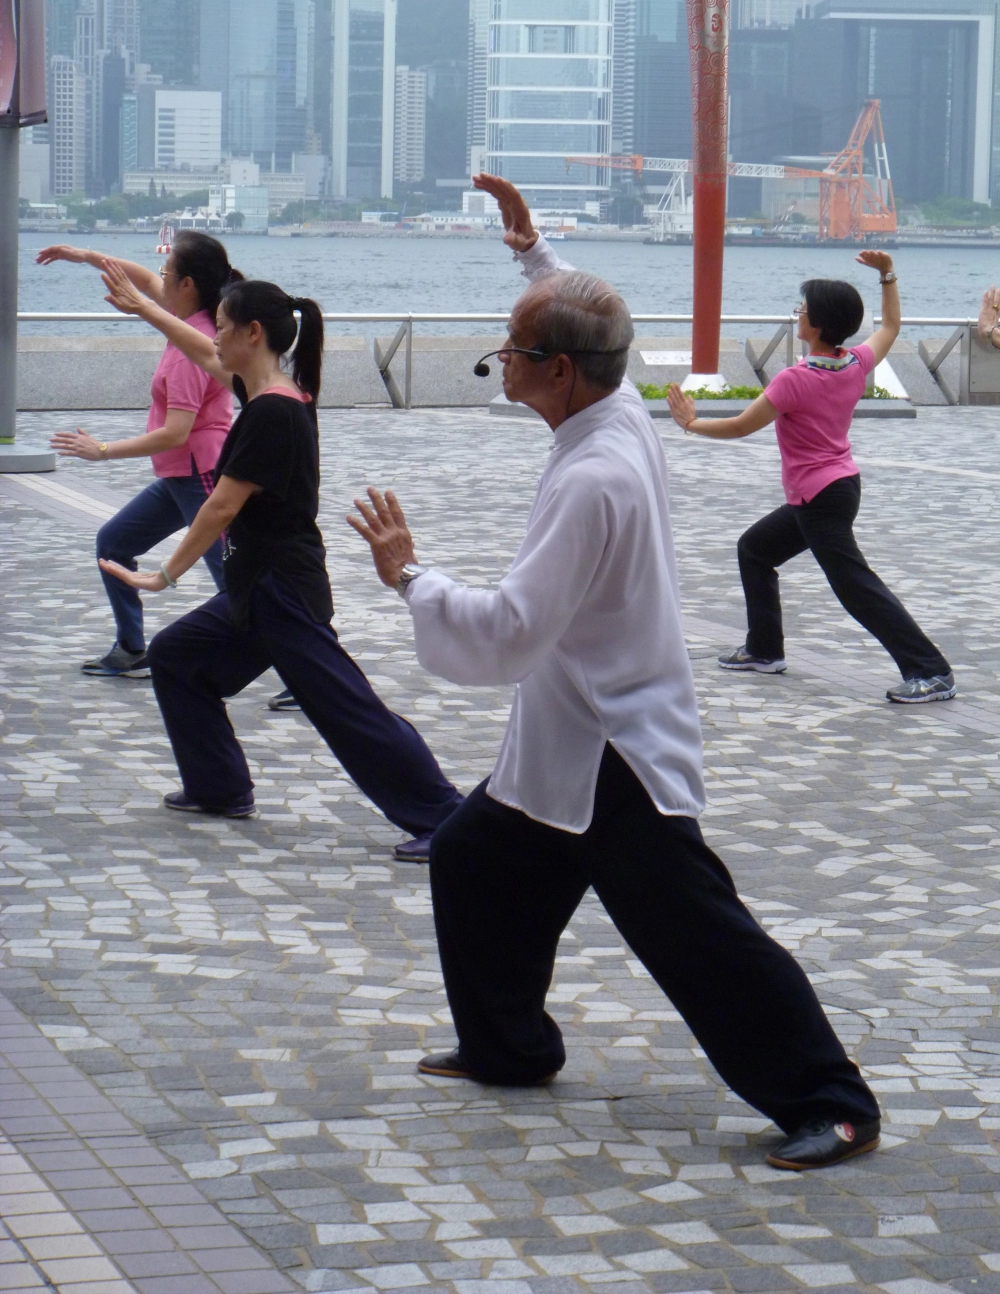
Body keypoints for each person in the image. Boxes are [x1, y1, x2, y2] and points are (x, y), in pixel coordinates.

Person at [347, 173, 882, 1171]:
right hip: (567, 734)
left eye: (511, 350)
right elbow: (591, 324)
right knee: (469, 858)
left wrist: (408, 574)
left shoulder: (594, 474)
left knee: (693, 930)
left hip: (614, 744)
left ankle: (832, 1097)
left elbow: (509, 630)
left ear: (555, 372)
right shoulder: (614, 405)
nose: (499, 362)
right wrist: (531, 253)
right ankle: (511, 1046)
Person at [98, 265, 463, 862]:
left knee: (348, 711)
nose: (211, 336)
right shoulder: (269, 394)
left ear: (253, 333)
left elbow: (219, 508)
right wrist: (145, 309)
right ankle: (219, 788)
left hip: (282, 595)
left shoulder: (274, 411)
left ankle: (447, 819)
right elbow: (202, 354)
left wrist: (161, 576)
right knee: (178, 658)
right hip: (257, 592)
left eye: (221, 326)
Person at [667, 255, 954, 705]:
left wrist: (690, 423)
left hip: (820, 498)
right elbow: (892, 326)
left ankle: (931, 672)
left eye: (802, 308)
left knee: (856, 588)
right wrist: (887, 275)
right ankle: (764, 650)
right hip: (834, 491)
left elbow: (742, 426)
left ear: (817, 324)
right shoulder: (855, 363)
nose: (798, 313)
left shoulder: (794, 380)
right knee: (755, 549)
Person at [38, 235, 239, 679]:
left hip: (201, 476)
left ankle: (303, 672)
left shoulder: (196, 344)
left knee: (237, 582)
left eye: (169, 273)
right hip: (179, 478)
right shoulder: (182, 317)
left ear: (187, 284)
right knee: (114, 543)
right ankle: (131, 648)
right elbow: (145, 280)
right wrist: (85, 256)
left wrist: (102, 451)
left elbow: (176, 432)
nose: (159, 278)